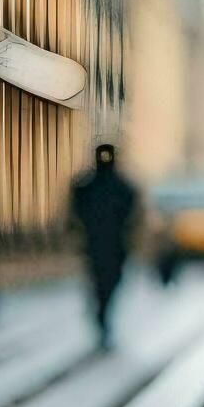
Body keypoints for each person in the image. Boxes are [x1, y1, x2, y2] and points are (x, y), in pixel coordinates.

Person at [71, 144, 138, 347]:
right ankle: (102, 314)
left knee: (110, 281)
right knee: (101, 282)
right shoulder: (89, 186)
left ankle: (102, 312)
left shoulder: (119, 187)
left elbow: (131, 210)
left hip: (112, 244)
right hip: (99, 244)